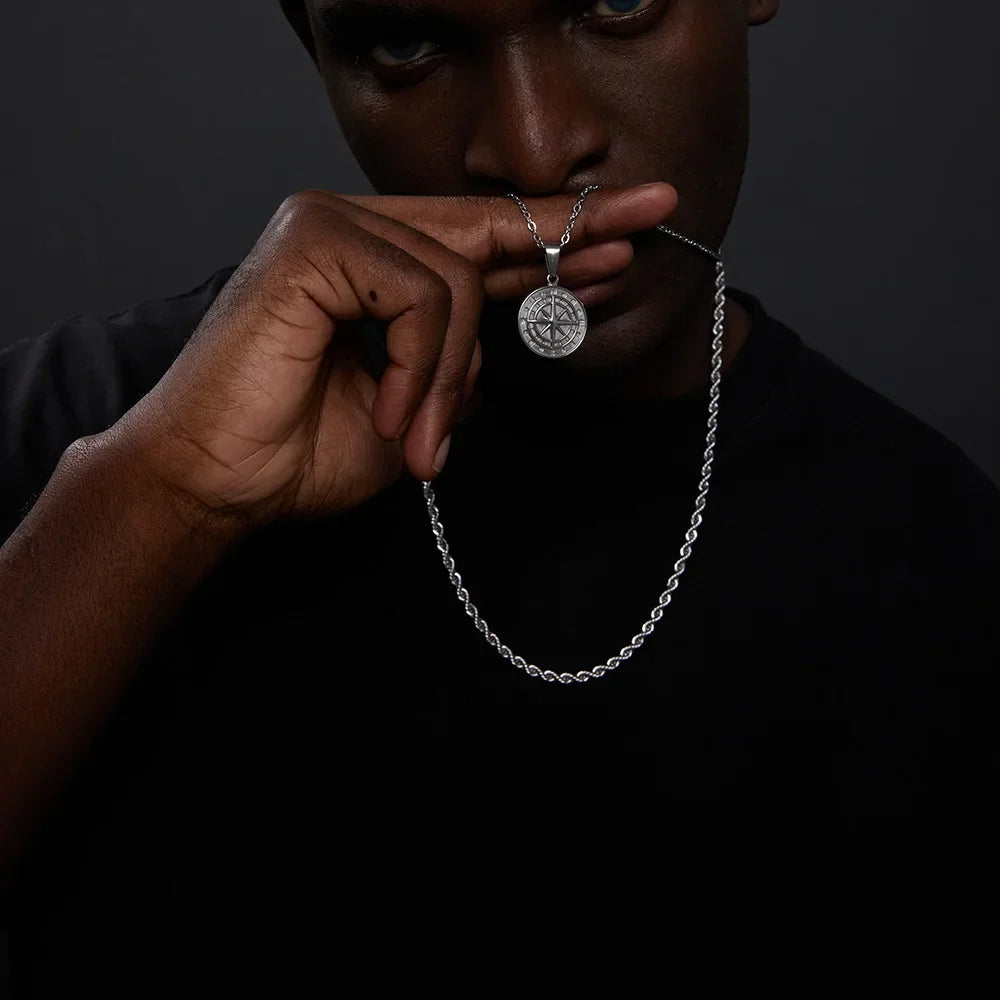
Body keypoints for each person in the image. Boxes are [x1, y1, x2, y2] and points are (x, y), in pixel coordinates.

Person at [1, 0, 997, 994]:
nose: (533, 149)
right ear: (311, 39)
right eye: (403, 42)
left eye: (615, 3)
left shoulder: (947, 570)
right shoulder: (82, 444)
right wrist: (161, 498)